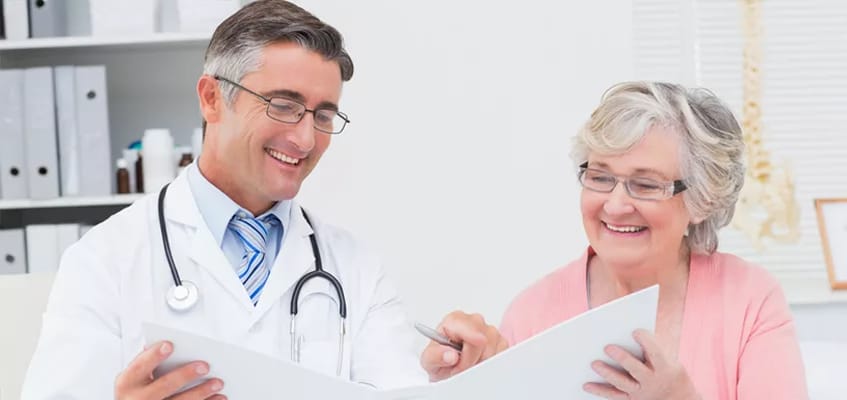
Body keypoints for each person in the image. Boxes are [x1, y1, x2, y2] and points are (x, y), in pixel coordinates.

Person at [22, 1, 431, 398]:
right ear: (212, 99)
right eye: (284, 105)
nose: (306, 139)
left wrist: (460, 380)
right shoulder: (104, 259)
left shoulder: (356, 269)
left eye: (322, 115)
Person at [421, 82, 809, 399]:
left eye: (645, 184)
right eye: (601, 177)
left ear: (701, 200)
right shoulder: (532, 314)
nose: (617, 204)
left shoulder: (750, 301)